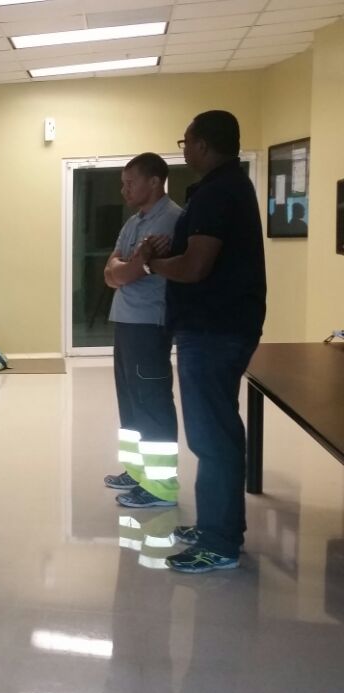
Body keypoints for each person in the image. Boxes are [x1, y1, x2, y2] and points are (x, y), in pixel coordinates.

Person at [134, 110, 266, 574]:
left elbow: (195, 268)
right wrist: (174, 256)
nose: (184, 149)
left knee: (212, 438)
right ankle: (218, 525)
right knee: (216, 431)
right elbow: (196, 257)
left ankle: (220, 542)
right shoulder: (228, 187)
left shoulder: (216, 192)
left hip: (214, 330)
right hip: (220, 327)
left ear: (204, 145)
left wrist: (154, 264)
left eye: (186, 142)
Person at [100, 153, 183, 511]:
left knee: (152, 403)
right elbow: (111, 273)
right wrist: (135, 264)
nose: (124, 189)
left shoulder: (173, 219)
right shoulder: (135, 222)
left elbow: (128, 273)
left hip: (150, 323)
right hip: (127, 321)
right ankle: (137, 472)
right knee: (131, 402)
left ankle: (161, 487)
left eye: (130, 182)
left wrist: (131, 268)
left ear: (154, 181)